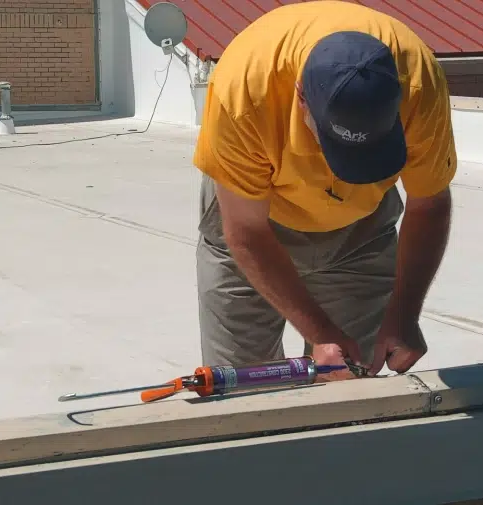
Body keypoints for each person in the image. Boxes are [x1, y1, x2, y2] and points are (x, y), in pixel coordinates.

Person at [192, 1, 457, 380]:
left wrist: (404, 315)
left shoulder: (419, 83)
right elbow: (246, 231)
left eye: (370, 151)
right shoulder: (244, 91)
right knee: (242, 390)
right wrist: (320, 332)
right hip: (255, 225)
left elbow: (429, 205)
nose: (348, 171)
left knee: (350, 388)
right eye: (337, 146)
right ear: (301, 97)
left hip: (360, 232)